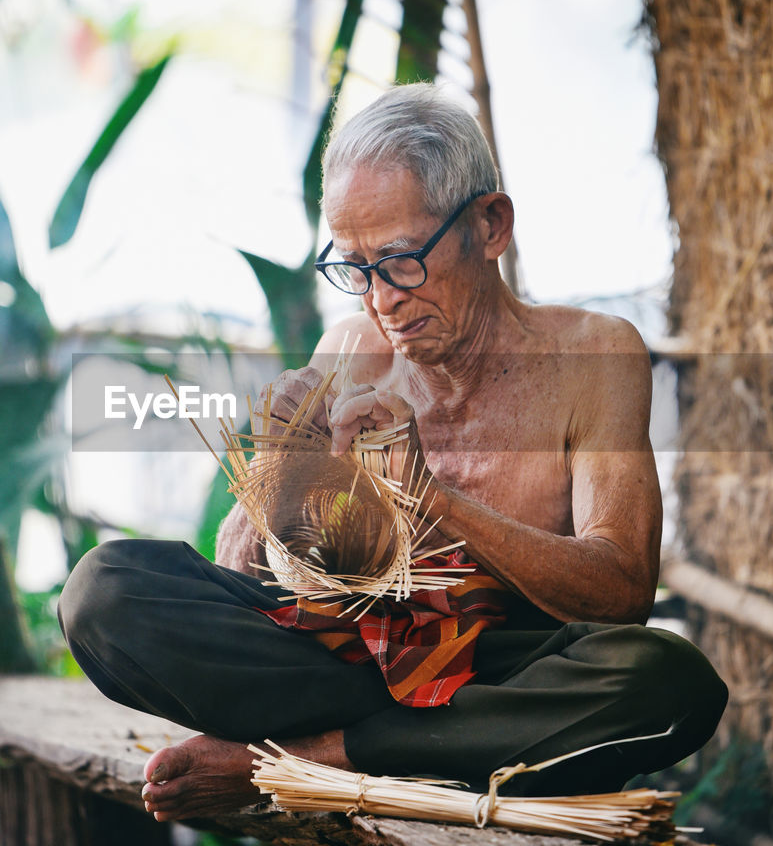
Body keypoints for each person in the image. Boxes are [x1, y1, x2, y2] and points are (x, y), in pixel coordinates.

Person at [59, 83, 727, 823]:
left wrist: (432, 498)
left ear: (490, 225)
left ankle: (306, 757)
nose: (380, 298)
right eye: (354, 267)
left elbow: (623, 593)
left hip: (496, 673)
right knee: (104, 591)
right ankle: (419, 746)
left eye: (401, 260)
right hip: (342, 659)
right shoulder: (349, 348)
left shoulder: (593, 355)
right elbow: (240, 582)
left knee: (665, 682)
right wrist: (274, 477)